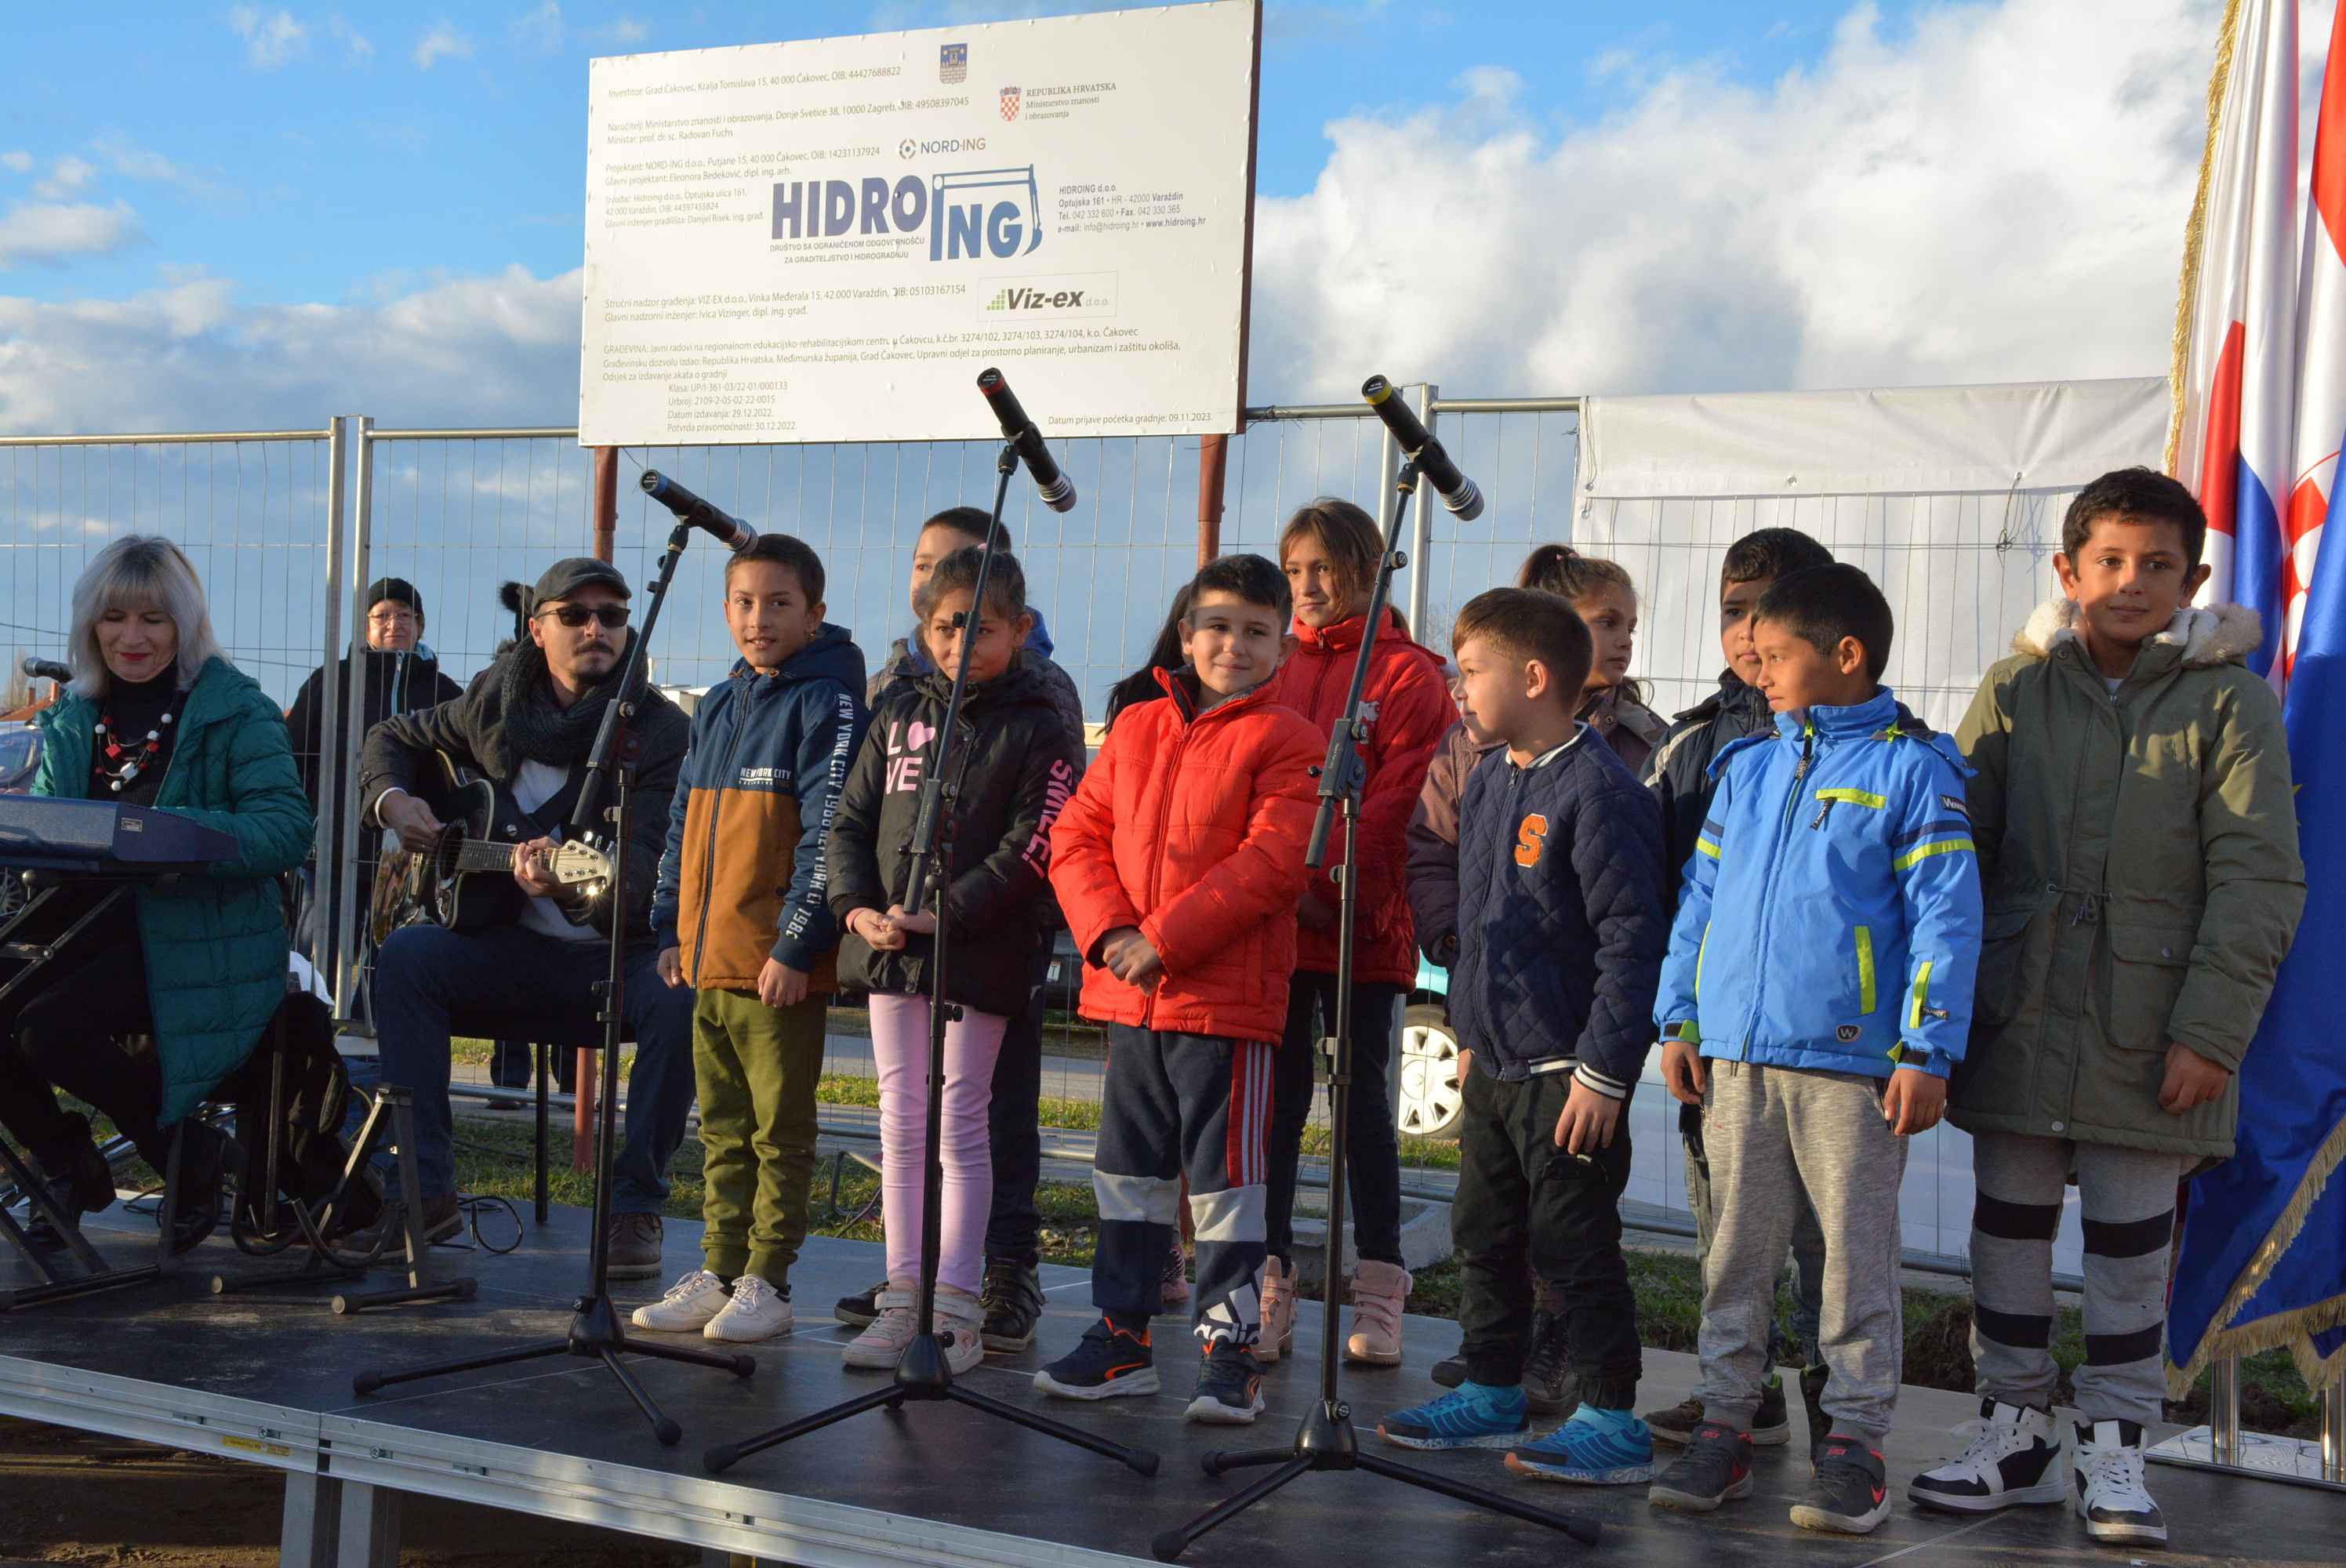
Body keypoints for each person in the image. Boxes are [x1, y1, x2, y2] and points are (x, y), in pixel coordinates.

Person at [1913, 469, 2304, 1547]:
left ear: (2197, 578)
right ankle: (2016, 1431)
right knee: (2009, 1233)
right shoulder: (2016, 690)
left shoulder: (2231, 702)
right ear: (2068, 570)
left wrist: (2212, 1033)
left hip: (2156, 1033)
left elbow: (2260, 878)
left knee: (2134, 1250)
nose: (2133, 583)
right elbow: (1958, 859)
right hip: (2018, 1020)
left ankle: (2119, 1450)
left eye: (2160, 565)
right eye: (2111, 562)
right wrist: (1946, 1016)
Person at [1647, 563, 1981, 1537]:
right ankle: (1723, 1426)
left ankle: (1854, 1443)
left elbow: (1945, 920)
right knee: (1734, 1253)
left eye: (1778, 653)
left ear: (1845, 655)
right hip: (1737, 1061)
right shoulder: (1744, 766)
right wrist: (1681, 1018)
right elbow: (1699, 904)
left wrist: (1925, 1047)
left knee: (1850, 1262)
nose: (1759, 668)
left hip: (1850, 1070)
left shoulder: (1914, 769)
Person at [1375, 588, 1664, 1486]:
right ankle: (1492, 1385)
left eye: (1470, 672)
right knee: (1484, 1229)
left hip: (1567, 1072)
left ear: (1533, 677)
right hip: (1495, 1061)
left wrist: (1604, 1074)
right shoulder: (1492, 772)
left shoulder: (1602, 790)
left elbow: (1630, 938)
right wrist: (1467, 1026)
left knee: (1572, 1240)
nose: (1457, 690)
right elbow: (1482, 910)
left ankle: (1610, 1412)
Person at [1033, 554, 1320, 1423]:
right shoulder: (1137, 727)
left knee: (1227, 1188)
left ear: (1283, 645)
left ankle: (1229, 1351)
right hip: (1131, 1000)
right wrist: (1111, 933)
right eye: (1218, 626)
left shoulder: (1291, 740)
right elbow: (1075, 836)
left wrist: (1161, 940)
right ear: (1187, 634)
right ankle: (1122, 1337)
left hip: (1224, 1007)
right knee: (1127, 1175)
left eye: (1256, 631)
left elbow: (1272, 864)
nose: (1234, 644)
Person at [358, 558, 696, 1274]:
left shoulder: (658, 729)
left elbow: (644, 865)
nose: (596, 628)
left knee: (681, 998)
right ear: (538, 629)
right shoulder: (490, 702)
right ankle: (423, 1193)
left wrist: (570, 879)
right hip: (509, 953)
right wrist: (394, 802)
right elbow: (391, 736)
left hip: (616, 960)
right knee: (410, 959)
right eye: (574, 615)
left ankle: (635, 1206)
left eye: (612, 615)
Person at [0, 535, 311, 1253]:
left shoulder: (238, 710)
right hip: (80, 930)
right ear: (90, 626)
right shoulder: (73, 713)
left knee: (47, 1028)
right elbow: (53, 824)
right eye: (114, 619)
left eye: (154, 620)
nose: (131, 638)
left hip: (201, 943)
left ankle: (185, 1153)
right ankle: (66, 1165)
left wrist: (162, 832)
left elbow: (285, 830)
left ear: (185, 625)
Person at [828, 545, 1084, 1375]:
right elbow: (849, 820)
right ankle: (904, 1297)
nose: (961, 642)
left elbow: (1035, 840)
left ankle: (957, 1307)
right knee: (900, 1121)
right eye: (946, 626)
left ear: (1020, 629)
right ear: (923, 626)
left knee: (959, 1124)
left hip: (976, 954)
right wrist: (856, 906)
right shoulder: (897, 709)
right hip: (891, 950)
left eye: (984, 628)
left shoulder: (1037, 720)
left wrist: (948, 912)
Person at [630, 534, 868, 1345]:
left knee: (778, 1129)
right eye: (742, 601)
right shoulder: (721, 703)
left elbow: (827, 832)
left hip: (776, 966)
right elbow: (680, 825)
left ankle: (769, 1278)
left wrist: (796, 947)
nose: (758, 618)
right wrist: (671, 926)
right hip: (708, 958)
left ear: (815, 613)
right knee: (721, 1126)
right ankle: (721, 1268)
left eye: (778, 603)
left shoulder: (828, 703)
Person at [1638, 526, 1835, 1450]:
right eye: (1732, 612)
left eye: (1772, 611)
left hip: (1835, 1051)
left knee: (1827, 1245)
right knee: (1728, 1231)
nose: (1750, 633)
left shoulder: (1881, 743)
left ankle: (1840, 1406)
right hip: (1720, 1043)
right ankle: (1738, 1394)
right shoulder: (1691, 746)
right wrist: (1678, 1015)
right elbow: (1672, 899)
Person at [1259, 498, 1454, 1367]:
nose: (1305, 587)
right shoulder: (1271, 662)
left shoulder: (1408, 675)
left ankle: (1378, 1284)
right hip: (1272, 924)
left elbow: (1400, 800)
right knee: (1274, 1104)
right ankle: (1267, 1283)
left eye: (1322, 570)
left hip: (1357, 927)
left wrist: (1330, 890)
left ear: (1370, 573)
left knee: (1362, 1109)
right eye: (1293, 569)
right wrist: (1274, 887)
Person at [1516, 545, 1667, 771]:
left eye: (1631, 629)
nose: (1627, 641)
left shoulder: (1652, 744)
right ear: (1551, 626)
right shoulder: (1482, 731)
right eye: (1608, 623)